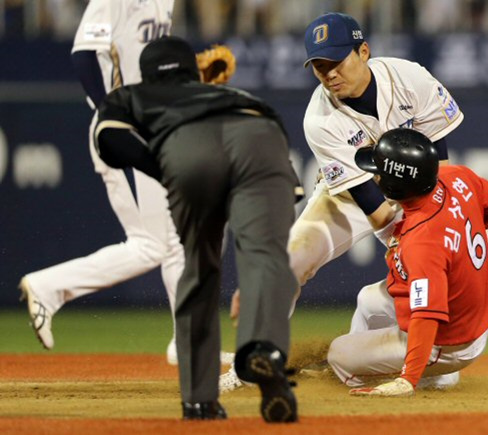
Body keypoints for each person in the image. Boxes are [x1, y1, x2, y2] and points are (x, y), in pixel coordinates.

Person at [285, 12, 488, 391]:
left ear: (363, 51)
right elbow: (375, 209)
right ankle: (256, 362)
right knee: (292, 260)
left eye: (336, 61)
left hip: (423, 186)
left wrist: (452, 231)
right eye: (319, 66)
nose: (329, 73)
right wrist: (411, 249)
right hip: (357, 189)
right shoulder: (320, 118)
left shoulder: (410, 78)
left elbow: (439, 169)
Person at [95, 36, 299, 422]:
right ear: (193, 69)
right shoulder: (237, 95)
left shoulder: (134, 93)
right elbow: (285, 170)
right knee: (266, 257)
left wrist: (167, 164)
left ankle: (199, 400)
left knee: (198, 267)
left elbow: (109, 140)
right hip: (261, 135)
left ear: (147, 72)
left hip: (185, 144)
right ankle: (264, 349)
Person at [17, 0, 189, 366]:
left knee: (156, 245)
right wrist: (109, 113)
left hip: (148, 124)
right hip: (123, 129)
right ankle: (187, 344)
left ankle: (47, 287)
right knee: (168, 241)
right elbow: (84, 51)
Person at [328, 128, 488, 395]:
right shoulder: (457, 177)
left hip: (450, 342)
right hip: (477, 313)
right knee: (369, 298)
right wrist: (462, 229)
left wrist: (408, 379)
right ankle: (391, 362)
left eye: (379, 171)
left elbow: (427, 314)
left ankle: (429, 376)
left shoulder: (423, 241)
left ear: (394, 185)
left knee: (337, 354)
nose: (374, 175)